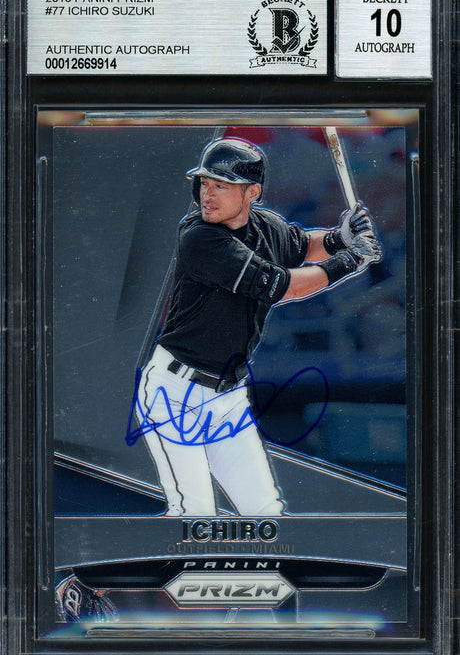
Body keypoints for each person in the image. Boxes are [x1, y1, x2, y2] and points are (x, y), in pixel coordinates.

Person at [132, 137, 382, 517]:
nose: (207, 194)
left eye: (221, 185)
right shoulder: (200, 237)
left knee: (266, 514)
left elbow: (301, 245)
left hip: (228, 397)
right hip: (175, 393)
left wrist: (339, 238)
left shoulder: (265, 226)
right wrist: (348, 262)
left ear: (252, 192)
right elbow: (283, 287)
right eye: (204, 183)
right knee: (195, 515)